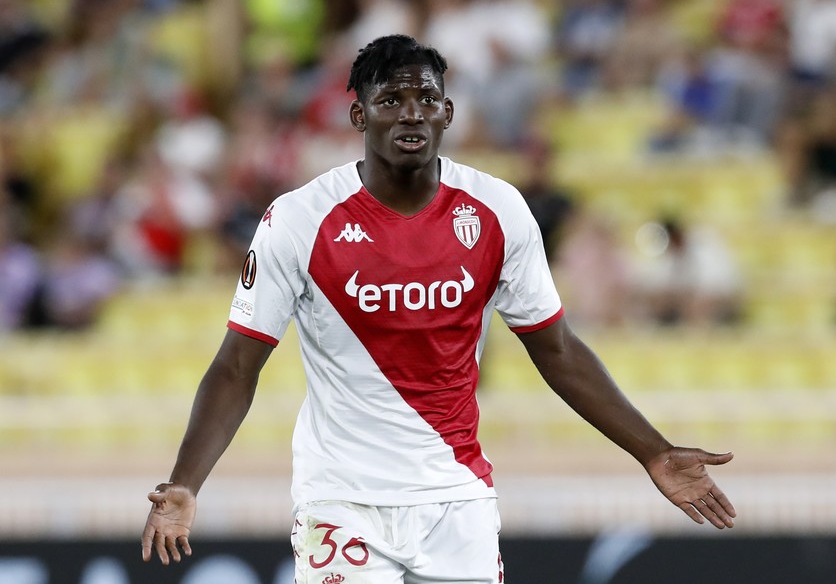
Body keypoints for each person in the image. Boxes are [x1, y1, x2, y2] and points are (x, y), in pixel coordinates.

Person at [141, 35, 736, 582]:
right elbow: (236, 367)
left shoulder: (498, 211)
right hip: (342, 500)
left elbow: (557, 350)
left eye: (427, 97)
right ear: (358, 116)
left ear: (447, 114)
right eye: (390, 99)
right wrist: (188, 482)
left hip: (457, 498)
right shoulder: (298, 220)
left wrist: (652, 451)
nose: (411, 112)